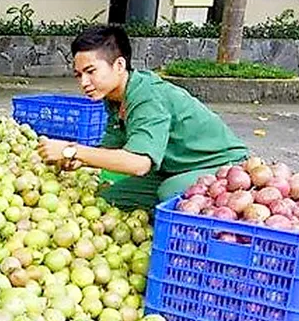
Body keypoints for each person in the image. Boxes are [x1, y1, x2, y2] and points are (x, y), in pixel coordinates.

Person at [37, 25, 250, 210]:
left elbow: (139, 163)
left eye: (90, 71)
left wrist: (71, 149)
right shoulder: (114, 97)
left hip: (224, 166)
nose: (84, 82)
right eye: (79, 74)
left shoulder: (147, 96)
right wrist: (78, 161)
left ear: (119, 65)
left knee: (169, 193)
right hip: (173, 168)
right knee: (110, 199)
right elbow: (111, 151)